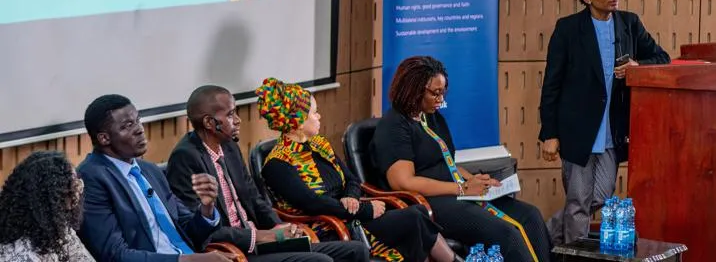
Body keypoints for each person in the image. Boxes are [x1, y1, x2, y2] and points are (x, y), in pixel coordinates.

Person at [257, 78, 463, 262]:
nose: (319, 116)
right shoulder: (277, 163)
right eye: (313, 112)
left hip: (352, 214)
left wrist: (351, 197)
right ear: (298, 122)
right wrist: (365, 209)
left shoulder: (319, 144)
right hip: (330, 227)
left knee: (416, 212)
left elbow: (352, 180)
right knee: (413, 218)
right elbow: (313, 204)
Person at [371, 56, 552, 262]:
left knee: (531, 216)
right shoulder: (394, 127)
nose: (441, 99)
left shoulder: (430, 116)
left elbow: (447, 162)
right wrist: (461, 189)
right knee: (506, 233)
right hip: (430, 202)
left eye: (443, 92)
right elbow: (404, 182)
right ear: (413, 89)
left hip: (456, 193)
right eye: (435, 93)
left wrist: (475, 181)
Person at [539, 0, 670, 245]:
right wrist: (549, 133)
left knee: (599, 196)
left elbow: (662, 58)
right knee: (577, 202)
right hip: (577, 130)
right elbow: (551, 85)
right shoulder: (568, 29)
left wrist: (636, 65)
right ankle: (574, 257)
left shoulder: (630, 23)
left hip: (612, 130)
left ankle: (544, 233)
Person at [166, 84, 370, 262]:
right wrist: (259, 236)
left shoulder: (229, 146)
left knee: (356, 250)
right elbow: (200, 229)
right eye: (229, 114)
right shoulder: (186, 158)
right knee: (319, 260)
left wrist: (280, 228)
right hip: (234, 250)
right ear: (210, 123)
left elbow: (254, 198)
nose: (237, 120)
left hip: (261, 241)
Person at [77, 94, 237, 262]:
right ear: (104, 138)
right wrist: (189, 260)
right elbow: (115, 255)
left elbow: (187, 231)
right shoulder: (91, 179)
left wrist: (206, 209)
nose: (140, 129)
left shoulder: (150, 171)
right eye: (128, 126)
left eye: (138, 120)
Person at [0, 150, 94, 262]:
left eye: (77, 184)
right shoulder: (17, 253)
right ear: (47, 200)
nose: (77, 193)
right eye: (71, 187)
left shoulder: (56, 226)